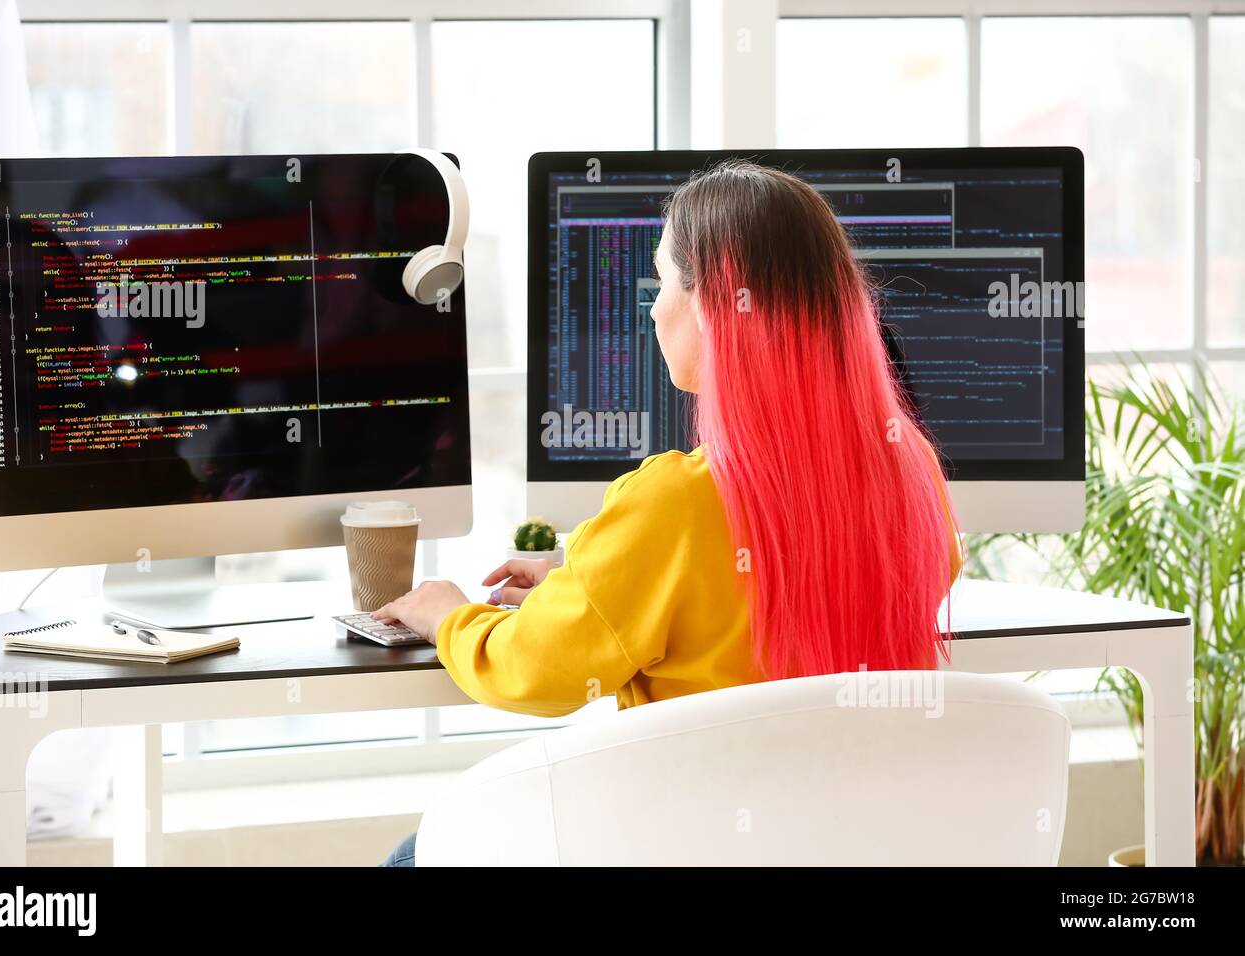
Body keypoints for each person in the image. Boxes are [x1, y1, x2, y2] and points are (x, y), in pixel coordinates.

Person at [376, 160, 962, 866]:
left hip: (684, 841)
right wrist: (586, 580)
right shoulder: (913, 469)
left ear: (714, 307)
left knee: (415, 853)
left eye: (663, 284)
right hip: (847, 841)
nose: (654, 310)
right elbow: (785, 583)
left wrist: (449, 615)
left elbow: (533, 672)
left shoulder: (674, 503)